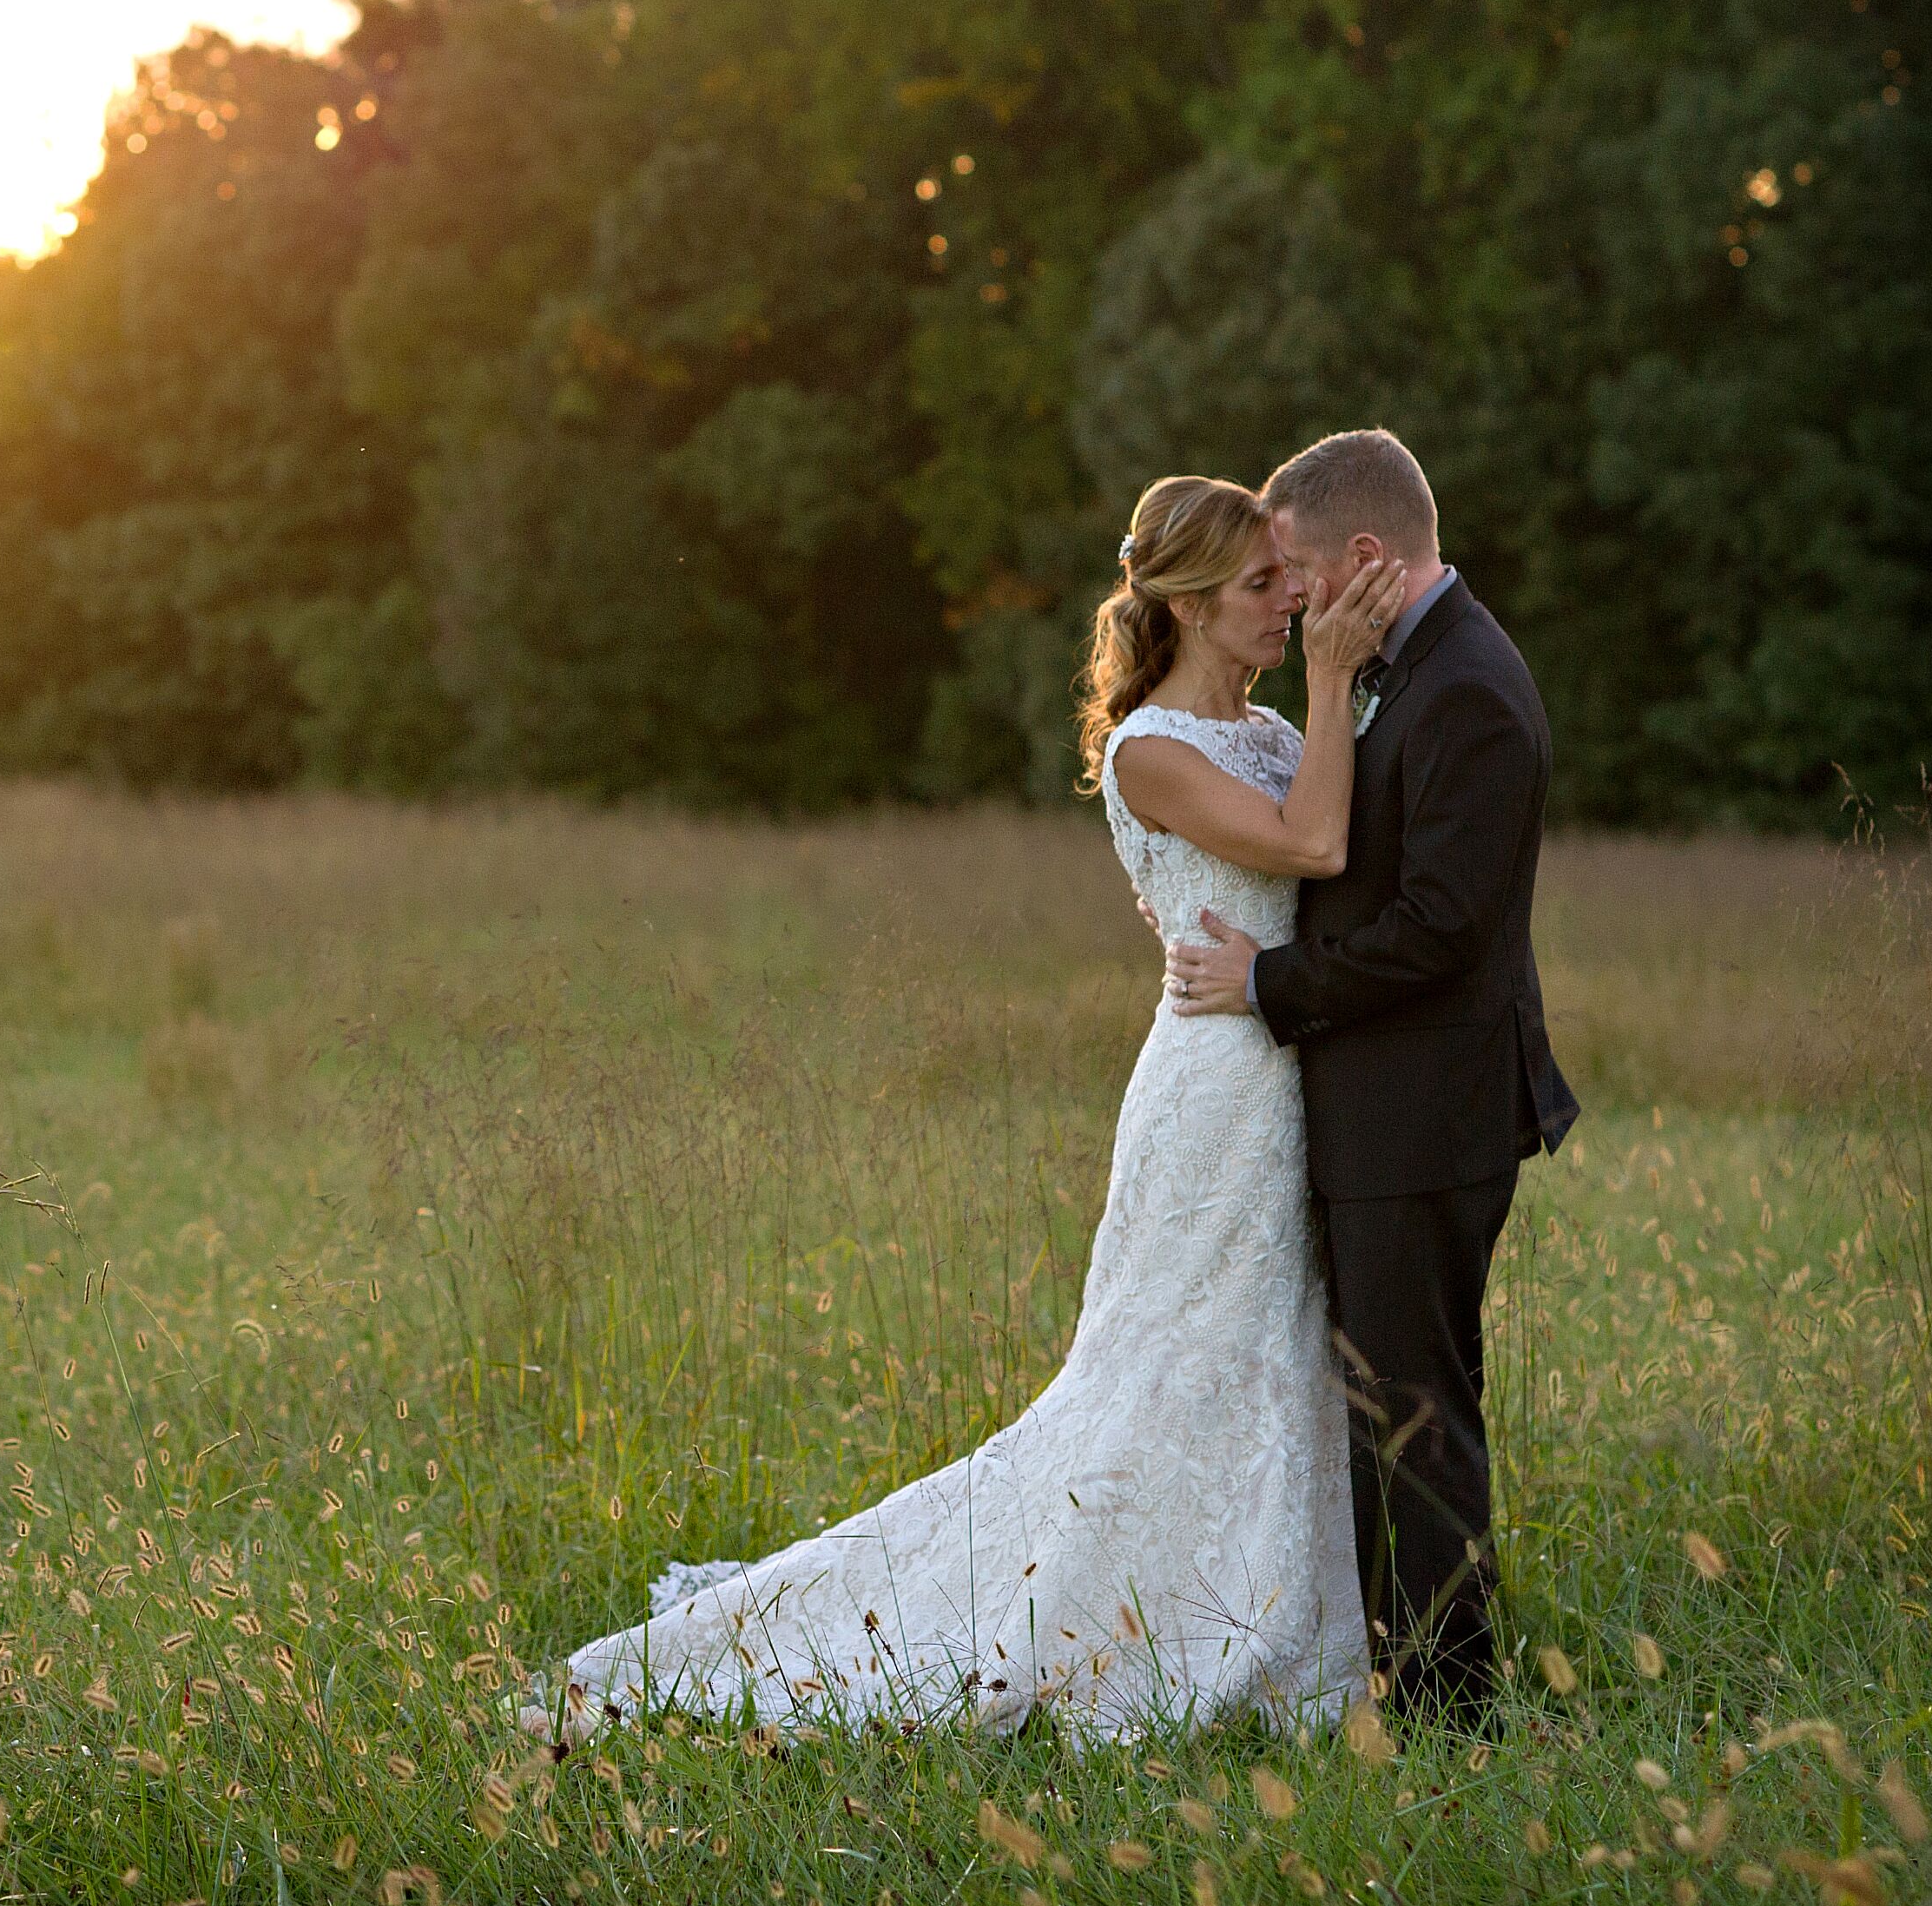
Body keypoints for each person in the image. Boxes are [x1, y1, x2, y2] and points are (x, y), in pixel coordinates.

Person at [521, 474, 1407, 1744]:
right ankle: (1117, 1629)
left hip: (1289, 1055)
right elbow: (1317, 849)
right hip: (1215, 1091)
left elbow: (1343, 845)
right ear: (1195, 605)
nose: (1293, 600)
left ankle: (1282, 1605)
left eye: (1291, 580)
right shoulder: (1157, 751)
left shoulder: (1268, 734)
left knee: (1274, 1353)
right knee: (1165, 1369)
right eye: (1264, 586)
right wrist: (1336, 682)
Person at [1164, 426, 1578, 1722]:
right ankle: (1395, 1672)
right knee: (1390, 1402)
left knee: (1414, 1411)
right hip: (1388, 1109)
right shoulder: (1409, 666)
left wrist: (1268, 986)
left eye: (1294, 569)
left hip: (1425, 1112)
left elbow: (1440, 935)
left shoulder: (1464, 688)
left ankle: (1450, 1707)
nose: (1288, 599)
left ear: (1363, 556)